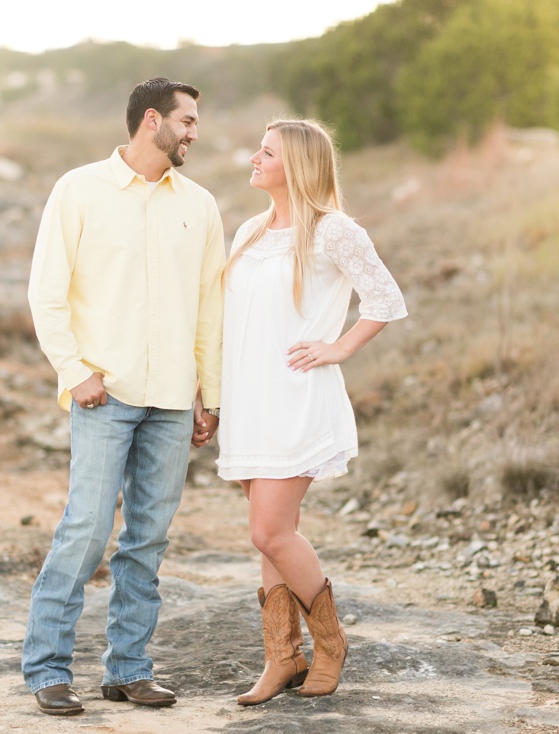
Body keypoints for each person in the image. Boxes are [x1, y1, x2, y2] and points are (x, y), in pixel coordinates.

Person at [23, 77, 225, 717]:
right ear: (150, 122)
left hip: (171, 400)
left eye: (195, 122)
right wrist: (73, 370)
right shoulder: (78, 190)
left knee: (147, 541)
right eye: (186, 121)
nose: (195, 132)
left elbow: (209, 310)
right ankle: (48, 670)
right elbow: (46, 293)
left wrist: (208, 394)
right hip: (101, 396)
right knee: (85, 531)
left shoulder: (201, 204)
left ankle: (129, 669)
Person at [216, 119, 407, 705]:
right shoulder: (249, 230)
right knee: (273, 539)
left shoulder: (334, 231)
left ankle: (330, 644)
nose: (254, 157)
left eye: (266, 152)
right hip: (249, 398)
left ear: (294, 165)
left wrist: (339, 347)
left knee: (269, 529)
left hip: (297, 397)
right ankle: (282, 658)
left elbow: (385, 298)